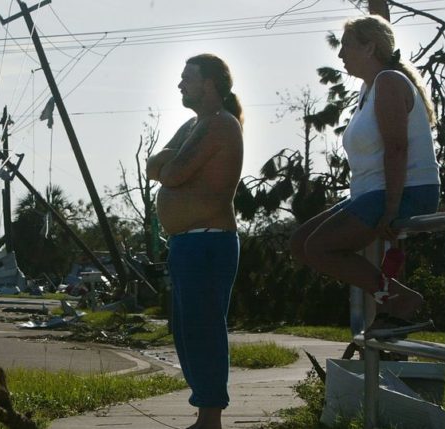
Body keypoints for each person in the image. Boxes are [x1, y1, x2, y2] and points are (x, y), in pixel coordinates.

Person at [290, 15, 440, 338]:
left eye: (346, 46)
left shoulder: (389, 82)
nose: (341, 55)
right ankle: (391, 297)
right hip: (372, 191)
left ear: (370, 46)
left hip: (406, 190)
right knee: (301, 243)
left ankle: (400, 300)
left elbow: (397, 148)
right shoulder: (367, 89)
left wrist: (391, 206)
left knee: (319, 247)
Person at [146, 53, 244, 429]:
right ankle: (204, 411)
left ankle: (210, 417)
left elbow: (172, 173)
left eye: (188, 78)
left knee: (204, 329)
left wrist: (167, 167)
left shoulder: (221, 125)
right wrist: (165, 164)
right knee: (186, 333)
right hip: (186, 244)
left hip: (209, 242)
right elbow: (154, 165)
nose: (180, 84)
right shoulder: (192, 126)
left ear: (210, 84)